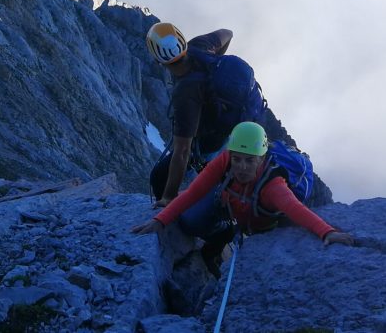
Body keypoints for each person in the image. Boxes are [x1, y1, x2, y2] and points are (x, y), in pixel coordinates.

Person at [131, 122, 353, 275]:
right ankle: (221, 234)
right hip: (232, 209)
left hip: (262, 226)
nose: (242, 167)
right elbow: (193, 193)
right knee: (190, 221)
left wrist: (328, 232)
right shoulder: (225, 160)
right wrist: (159, 220)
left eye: (249, 161)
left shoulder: (273, 186)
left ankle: (223, 238)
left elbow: (297, 210)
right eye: (237, 160)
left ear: (262, 158)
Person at [145, 22, 291, 207]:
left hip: (214, 141)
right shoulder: (199, 45)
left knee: (159, 177)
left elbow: (183, 151)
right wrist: (214, 69)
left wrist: (168, 196)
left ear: (159, 61)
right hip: (242, 124)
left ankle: (188, 219)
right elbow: (227, 33)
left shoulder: (186, 93)